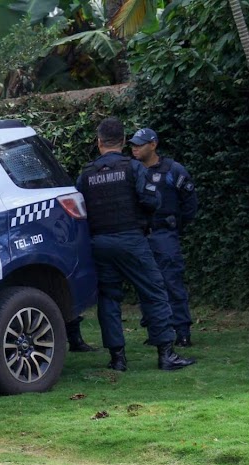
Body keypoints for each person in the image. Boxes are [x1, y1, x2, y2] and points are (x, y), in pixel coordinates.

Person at [75, 118, 195, 372]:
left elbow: (79, 209)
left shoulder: (86, 174)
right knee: (154, 291)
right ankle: (166, 354)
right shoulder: (133, 168)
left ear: (99, 142)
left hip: (100, 243)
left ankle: (117, 359)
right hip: (131, 239)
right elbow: (152, 201)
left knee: (109, 298)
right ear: (122, 141)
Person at [130, 128, 198, 347]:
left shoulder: (173, 170)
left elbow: (189, 204)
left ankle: (182, 331)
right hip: (141, 235)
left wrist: (175, 227)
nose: (135, 148)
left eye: (139, 144)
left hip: (164, 233)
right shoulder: (132, 170)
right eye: (133, 144)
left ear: (153, 144)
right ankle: (156, 331)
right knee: (146, 285)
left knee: (171, 281)